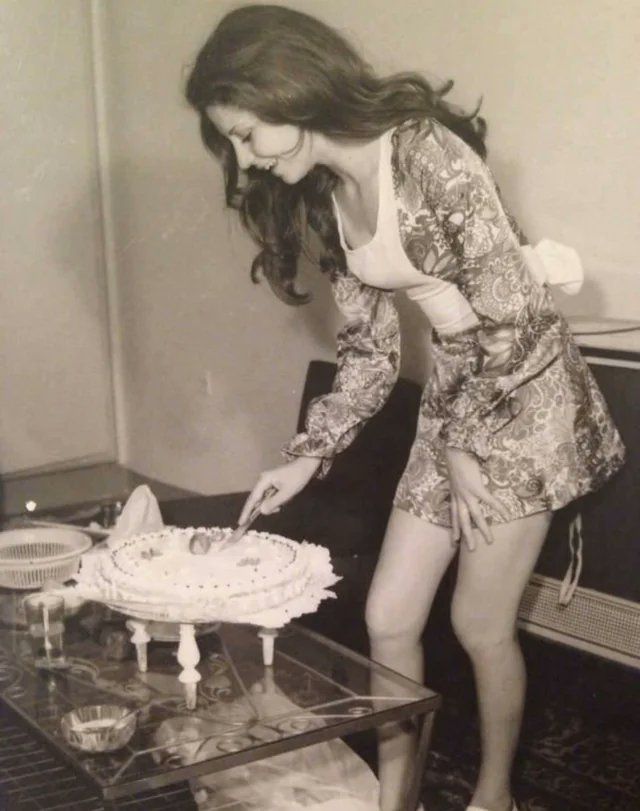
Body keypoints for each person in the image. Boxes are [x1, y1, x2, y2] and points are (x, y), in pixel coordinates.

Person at [185, 6, 626, 811]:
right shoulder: (326, 194)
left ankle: (494, 796)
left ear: (293, 90)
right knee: (389, 616)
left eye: (248, 133)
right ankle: (403, 799)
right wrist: (308, 454)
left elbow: (516, 316)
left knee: (477, 624)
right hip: (460, 396)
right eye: (233, 143)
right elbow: (372, 350)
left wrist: (462, 446)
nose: (245, 160)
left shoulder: (427, 153)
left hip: (525, 391)